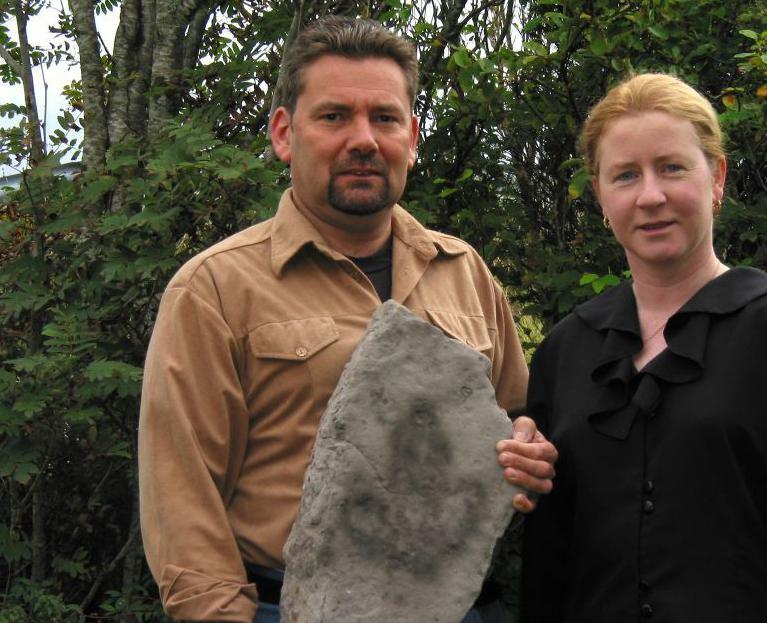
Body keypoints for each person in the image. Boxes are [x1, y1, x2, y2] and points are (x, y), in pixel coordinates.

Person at [138, 16, 556, 623]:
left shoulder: (463, 270)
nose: (363, 139)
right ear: (285, 134)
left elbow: (520, 413)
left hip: (455, 605)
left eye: (384, 118)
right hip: (287, 608)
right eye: (334, 117)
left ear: (412, 136)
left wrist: (530, 450)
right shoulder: (215, 289)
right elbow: (182, 505)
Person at [520, 73, 767, 623]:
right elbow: (547, 560)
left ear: (717, 178)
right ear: (601, 197)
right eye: (626, 176)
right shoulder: (567, 351)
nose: (651, 196)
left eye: (672, 168)